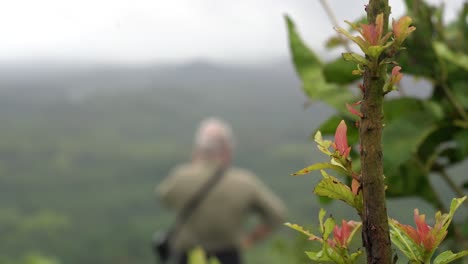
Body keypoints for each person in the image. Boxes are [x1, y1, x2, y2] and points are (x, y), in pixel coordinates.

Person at [155, 117, 286, 264]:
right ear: (228, 149)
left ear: (198, 149)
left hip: (187, 257)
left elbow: (164, 198)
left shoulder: (180, 177)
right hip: (229, 257)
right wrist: (250, 240)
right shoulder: (245, 182)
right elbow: (277, 214)